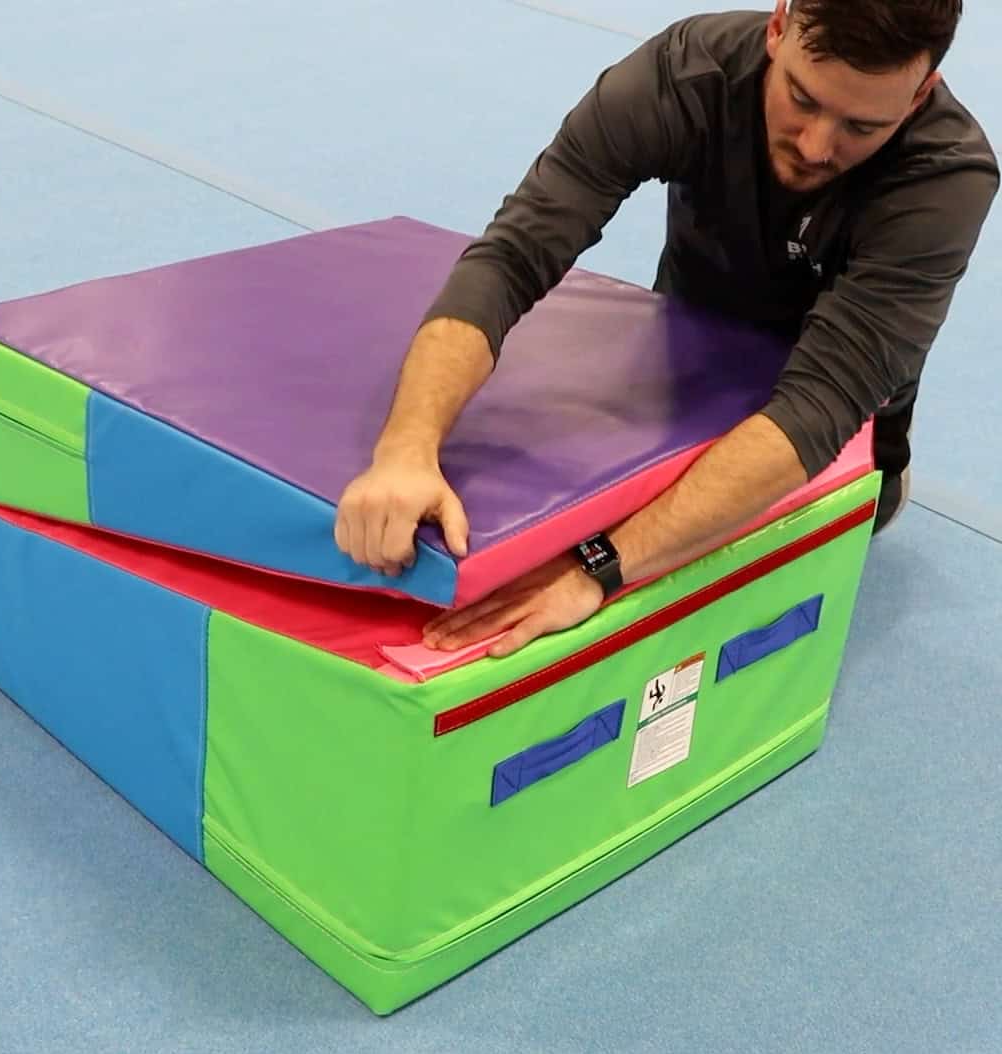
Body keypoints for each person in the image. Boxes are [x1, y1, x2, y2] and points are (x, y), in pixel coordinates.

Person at [333, 0, 998, 659]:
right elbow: (514, 255)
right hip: (680, 380)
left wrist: (598, 566)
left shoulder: (944, 178)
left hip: (839, 429)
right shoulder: (686, 75)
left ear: (919, 98)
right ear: (777, 28)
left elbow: (820, 404)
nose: (818, 145)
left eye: (862, 126)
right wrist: (406, 449)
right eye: (801, 97)